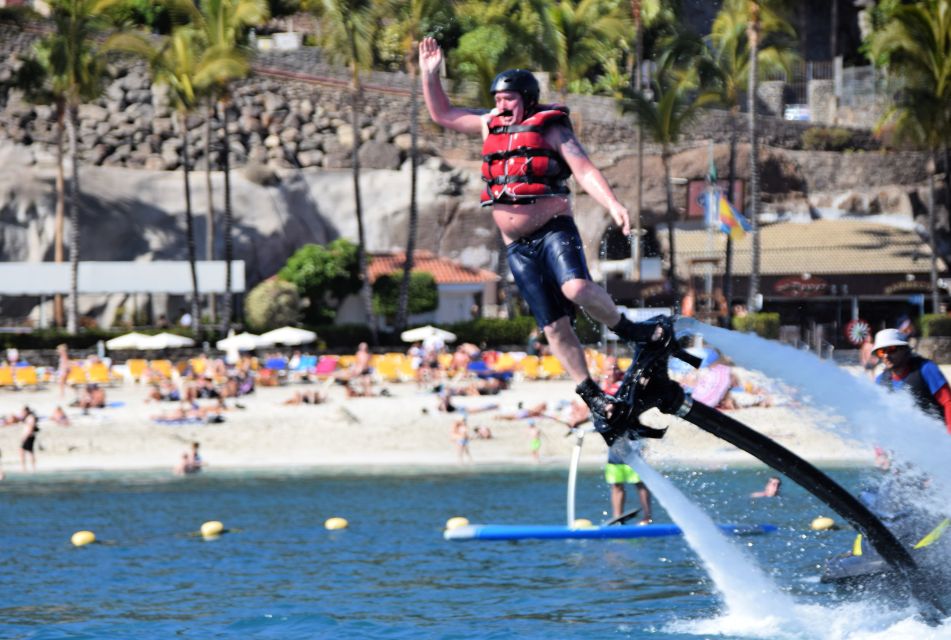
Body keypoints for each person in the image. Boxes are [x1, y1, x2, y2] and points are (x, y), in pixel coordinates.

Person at [419, 37, 664, 432]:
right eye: (497, 99)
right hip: (517, 246)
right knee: (552, 325)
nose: (500, 105)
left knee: (576, 290)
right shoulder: (489, 126)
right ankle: (592, 394)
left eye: (508, 98)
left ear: (527, 98)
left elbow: (583, 170)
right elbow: (443, 113)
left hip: (552, 229)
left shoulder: (551, 129)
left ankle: (633, 331)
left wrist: (613, 205)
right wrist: (429, 75)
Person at [872, 328, 951, 433]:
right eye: (881, 352)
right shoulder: (880, 381)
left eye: (891, 349)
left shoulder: (926, 369)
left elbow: (948, 402)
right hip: (906, 443)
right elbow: (880, 417)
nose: (886, 355)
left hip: (936, 438)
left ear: (904, 349)